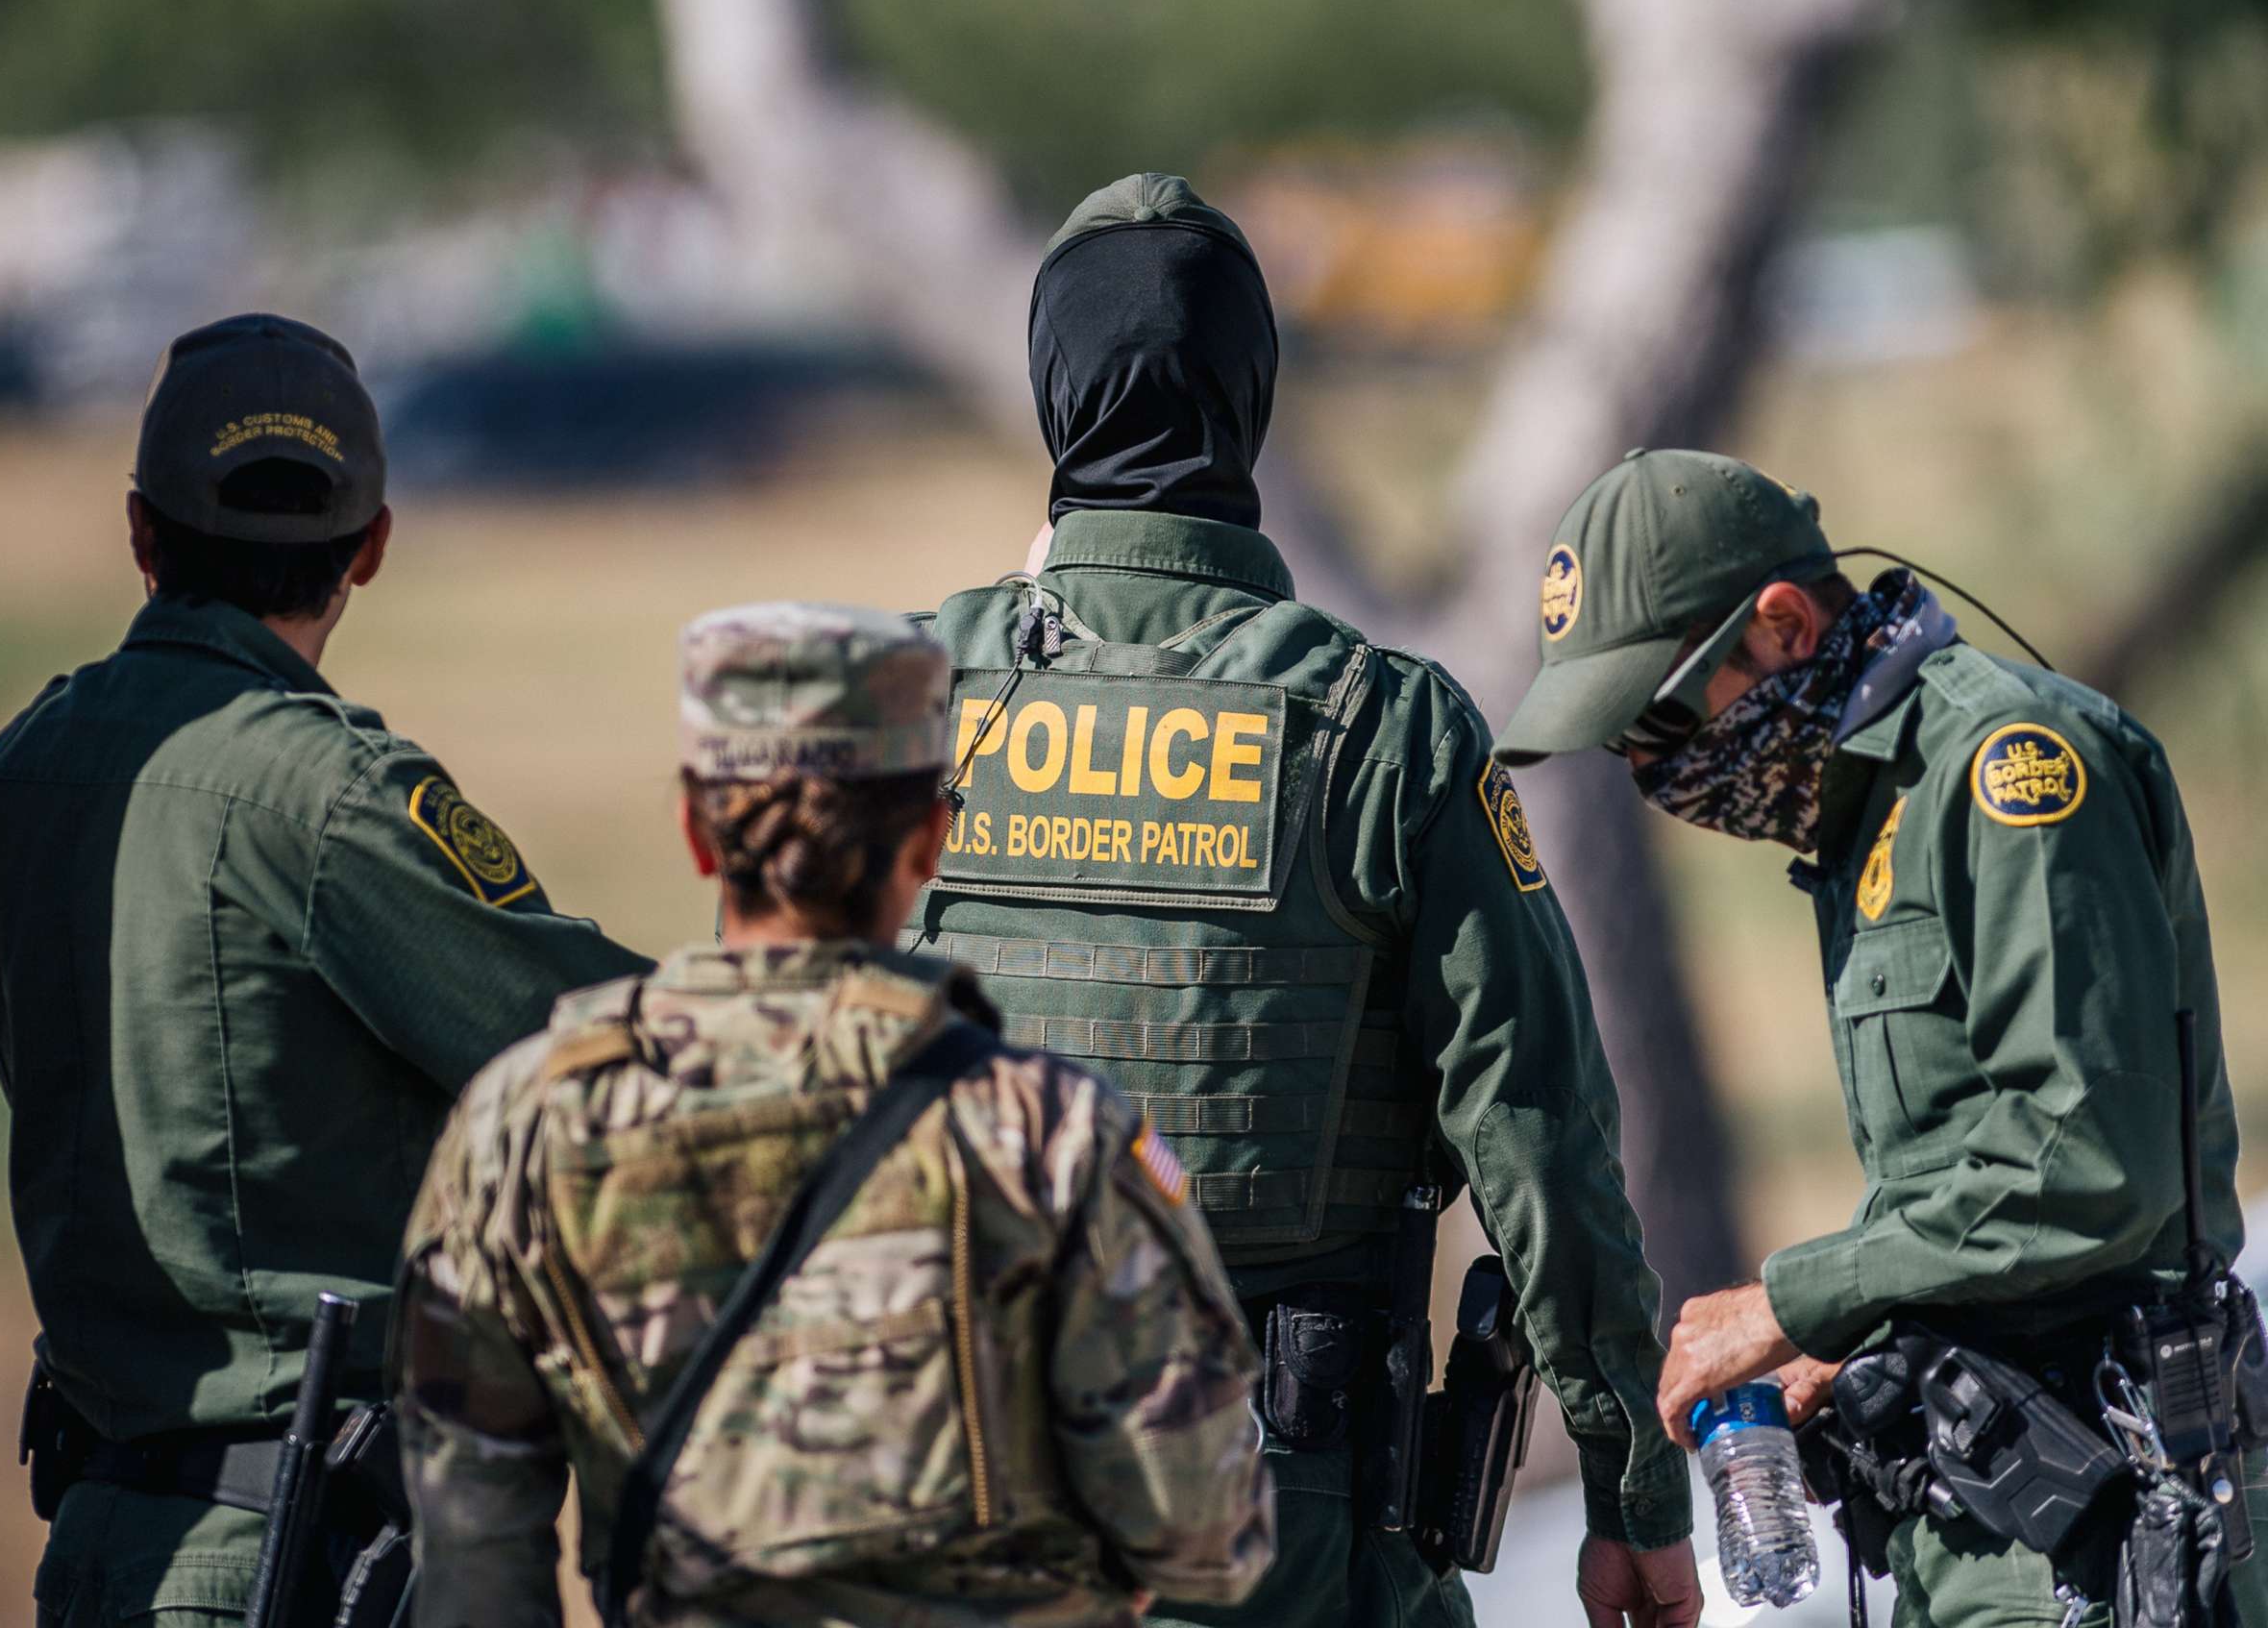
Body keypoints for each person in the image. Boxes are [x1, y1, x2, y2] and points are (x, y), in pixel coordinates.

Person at [910, 172, 1701, 1628]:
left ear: (1049, 398)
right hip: (1283, 1530)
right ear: (1253, 400)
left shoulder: (900, 700)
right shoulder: (1381, 725)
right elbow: (1540, 1145)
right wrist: (1631, 1490)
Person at [0, 312, 650, 1628]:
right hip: (312, 1563)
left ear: (142, 532)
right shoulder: (329, 798)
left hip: (105, 1549)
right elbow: (604, 1050)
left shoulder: (10, 780)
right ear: (370, 547)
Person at [1494, 447, 2262, 1625]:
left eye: (1654, 717)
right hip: (1973, 1521)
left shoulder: (2007, 773)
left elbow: (2092, 1163)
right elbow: (1964, 1162)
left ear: (1787, 625)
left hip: (2107, 1525)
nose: (1646, 768)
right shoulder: (1867, 816)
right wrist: (1851, 1335)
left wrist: (1793, 1301)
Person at [396, 600, 1274, 1628]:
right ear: (932, 839)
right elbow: (1205, 1536)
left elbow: (470, 1544)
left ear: (694, 828)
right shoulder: (1048, 1135)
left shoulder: (530, 1121)